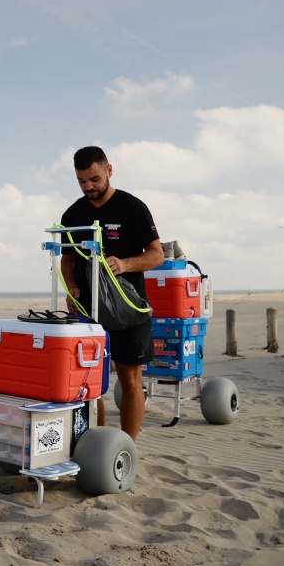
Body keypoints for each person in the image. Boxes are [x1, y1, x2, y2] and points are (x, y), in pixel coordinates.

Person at [59, 146, 163, 440]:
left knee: (130, 379)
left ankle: (126, 447)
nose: (88, 187)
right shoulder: (73, 213)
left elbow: (156, 255)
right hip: (86, 309)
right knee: (90, 379)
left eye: (94, 179)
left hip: (128, 308)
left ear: (109, 170)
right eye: (81, 181)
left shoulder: (132, 207)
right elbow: (68, 258)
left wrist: (126, 263)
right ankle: (99, 442)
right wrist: (72, 288)